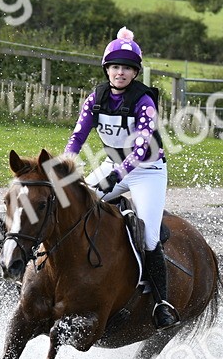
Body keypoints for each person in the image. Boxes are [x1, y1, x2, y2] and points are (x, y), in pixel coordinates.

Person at [65, 26, 179, 329]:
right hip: (113, 166)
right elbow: (78, 136)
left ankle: (160, 302)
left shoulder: (145, 102)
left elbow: (141, 148)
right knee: (73, 207)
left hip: (147, 173)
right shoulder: (96, 98)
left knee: (151, 237)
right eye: (115, 67)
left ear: (135, 72)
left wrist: (116, 175)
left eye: (127, 68)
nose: (120, 72)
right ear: (107, 69)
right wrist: (66, 163)